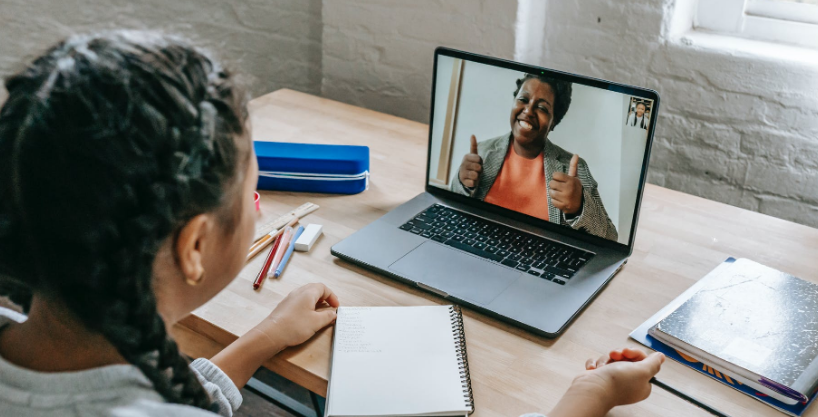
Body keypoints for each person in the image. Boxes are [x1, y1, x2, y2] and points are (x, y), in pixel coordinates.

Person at [0, 31, 661, 417]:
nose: (258, 200)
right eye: (253, 187)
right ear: (194, 244)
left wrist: (260, 339)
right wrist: (589, 394)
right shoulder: (482, 152)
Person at [451, 73, 618, 241]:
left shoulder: (573, 169)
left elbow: (610, 238)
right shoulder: (482, 152)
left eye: (542, 108)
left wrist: (579, 207)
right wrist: (461, 183)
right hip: (480, 247)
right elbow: (452, 211)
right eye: (523, 99)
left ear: (553, 122)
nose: (528, 111)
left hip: (539, 262)